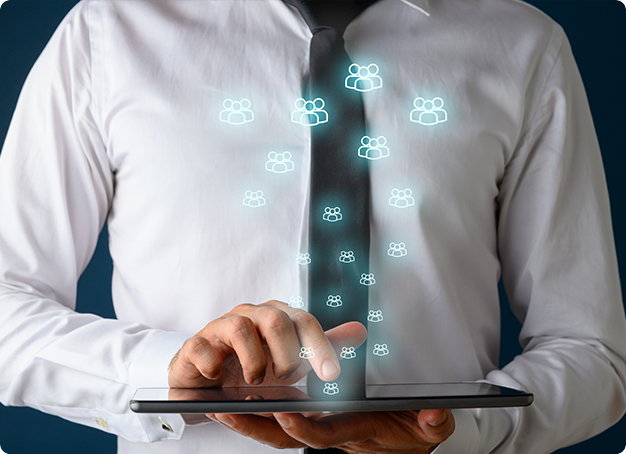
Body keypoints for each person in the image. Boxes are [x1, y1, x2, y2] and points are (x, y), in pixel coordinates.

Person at [0, 1, 625, 453]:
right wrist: (170, 370)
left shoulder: (523, 45)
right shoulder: (107, 35)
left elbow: (592, 351)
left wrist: (459, 432)